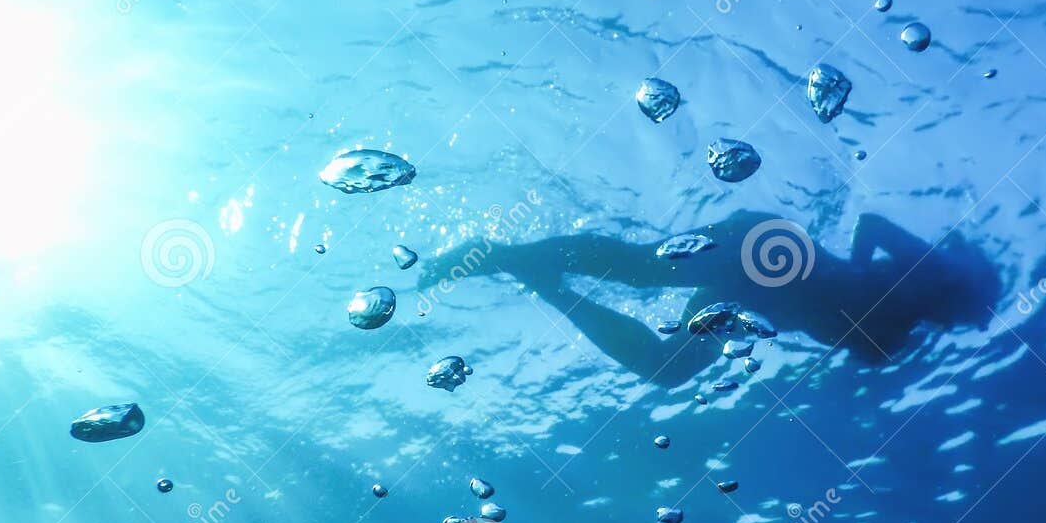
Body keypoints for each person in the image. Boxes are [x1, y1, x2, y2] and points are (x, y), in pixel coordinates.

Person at [417, 211, 1000, 386]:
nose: (959, 327)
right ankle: (504, 254)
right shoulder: (928, 275)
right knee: (645, 268)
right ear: (965, 298)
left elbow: (843, 337)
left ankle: (539, 281)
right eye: (969, 317)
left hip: (753, 293)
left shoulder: (896, 336)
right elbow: (873, 223)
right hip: (768, 251)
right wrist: (852, 272)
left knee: (665, 368)